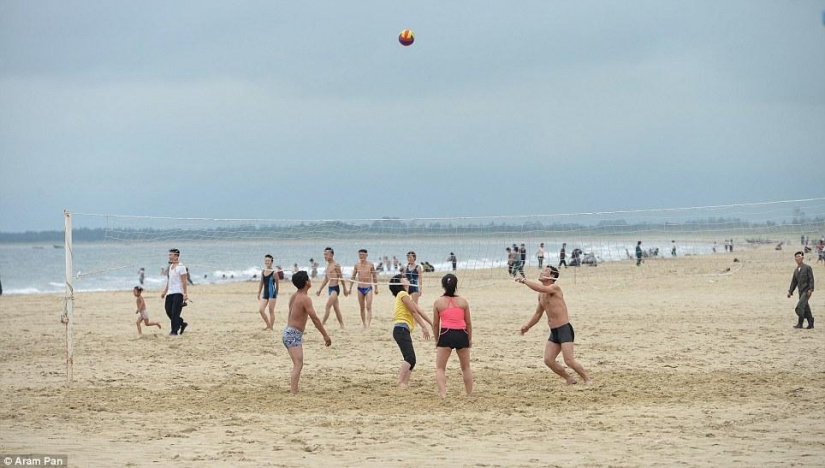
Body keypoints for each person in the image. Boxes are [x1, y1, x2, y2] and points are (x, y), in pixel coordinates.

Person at [517, 266, 592, 385]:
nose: (542, 272)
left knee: (569, 361)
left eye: (545, 271)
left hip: (564, 329)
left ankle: (587, 378)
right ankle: (569, 378)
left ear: (552, 276)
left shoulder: (555, 288)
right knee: (548, 360)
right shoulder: (541, 294)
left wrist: (524, 280)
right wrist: (527, 326)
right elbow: (538, 314)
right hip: (554, 332)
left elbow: (539, 288)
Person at [283, 271, 332, 394]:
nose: (310, 280)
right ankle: (293, 391)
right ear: (306, 282)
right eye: (308, 279)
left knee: (298, 363)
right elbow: (314, 318)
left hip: (288, 332)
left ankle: (294, 390)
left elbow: (291, 313)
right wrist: (325, 335)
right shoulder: (305, 299)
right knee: (298, 364)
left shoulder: (294, 296)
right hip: (293, 334)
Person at [432, 274, 473, 397]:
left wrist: (437, 340)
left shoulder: (438, 302)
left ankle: (443, 394)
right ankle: (469, 393)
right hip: (462, 333)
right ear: (456, 285)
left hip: (446, 333)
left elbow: (435, 324)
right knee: (466, 367)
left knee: (440, 368)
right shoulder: (463, 302)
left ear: (443, 286)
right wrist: (469, 339)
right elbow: (469, 323)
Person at [389, 274, 432, 388]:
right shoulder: (402, 294)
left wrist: (432, 324)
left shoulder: (407, 296)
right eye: (404, 278)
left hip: (403, 330)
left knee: (412, 360)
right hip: (401, 329)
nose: (407, 279)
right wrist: (423, 327)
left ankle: (405, 383)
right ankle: (400, 381)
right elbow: (413, 312)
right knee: (410, 358)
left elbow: (420, 311)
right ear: (400, 283)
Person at [316, 247, 347, 328]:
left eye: (326, 254)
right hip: (330, 288)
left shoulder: (336, 265)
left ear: (332, 254)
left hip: (335, 289)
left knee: (327, 306)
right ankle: (342, 325)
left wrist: (345, 289)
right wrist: (320, 289)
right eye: (324, 255)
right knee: (336, 308)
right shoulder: (328, 265)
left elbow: (341, 277)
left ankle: (322, 324)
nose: (325, 256)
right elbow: (326, 279)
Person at [161, 248, 189, 336]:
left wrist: (185, 294)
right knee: (168, 310)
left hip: (178, 292)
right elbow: (169, 280)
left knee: (175, 312)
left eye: (171, 255)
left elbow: (184, 281)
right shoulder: (170, 267)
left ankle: (174, 331)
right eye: (169, 255)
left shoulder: (181, 267)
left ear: (176, 256)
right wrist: (164, 292)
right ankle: (181, 323)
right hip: (170, 292)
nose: (169, 256)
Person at [349, 248, 379, 329]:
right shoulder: (357, 265)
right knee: (362, 307)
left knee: (368, 306)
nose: (361, 256)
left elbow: (374, 277)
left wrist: (376, 288)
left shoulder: (370, 265)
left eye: (363, 254)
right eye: (360, 255)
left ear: (366, 255)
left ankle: (368, 324)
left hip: (368, 287)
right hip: (360, 288)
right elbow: (353, 277)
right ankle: (364, 324)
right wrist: (350, 288)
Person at [787, 251, 815, 329]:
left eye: (799, 256)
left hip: (807, 291)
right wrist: (790, 292)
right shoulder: (796, 271)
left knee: (799, 307)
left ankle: (800, 323)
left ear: (802, 258)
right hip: (800, 291)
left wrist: (811, 289)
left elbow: (811, 279)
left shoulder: (807, 267)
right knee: (805, 307)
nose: (797, 258)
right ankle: (811, 323)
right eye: (796, 257)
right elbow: (794, 282)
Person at [257, 254, 280, 330]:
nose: (267, 262)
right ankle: (268, 325)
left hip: (272, 293)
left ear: (271, 262)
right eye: (266, 260)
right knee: (261, 310)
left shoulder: (274, 272)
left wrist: (276, 293)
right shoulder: (263, 271)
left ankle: (271, 327)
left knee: (271, 311)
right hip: (265, 293)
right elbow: (261, 282)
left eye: (268, 261)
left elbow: (277, 284)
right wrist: (259, 292)